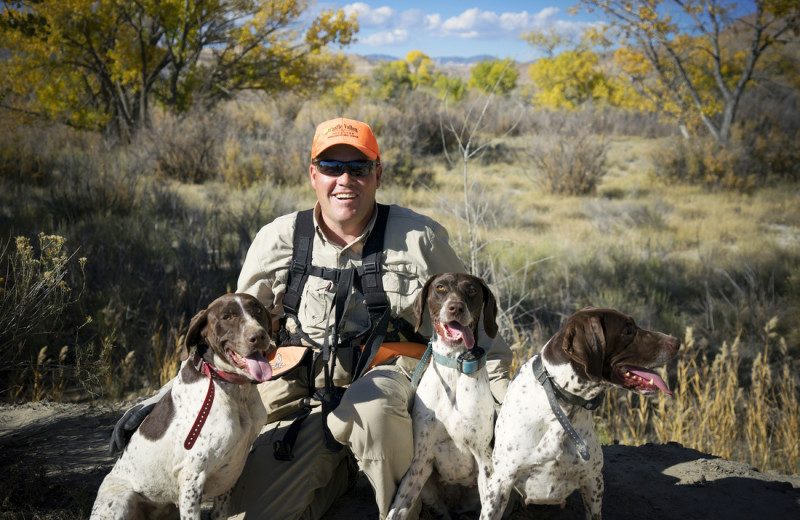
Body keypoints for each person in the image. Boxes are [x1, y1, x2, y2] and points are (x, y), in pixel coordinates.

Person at [111, 117, 512, 519]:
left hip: (388, 388)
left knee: (371, 412)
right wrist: (163, 397)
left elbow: (481, 336)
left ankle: (407, 510)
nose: (345, 180)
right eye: (332, 168)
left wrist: (504, 414)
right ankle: (334, 475)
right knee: (257, 513)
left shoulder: (419, 239)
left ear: (378, 174)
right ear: (313, 174)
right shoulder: (278, 239)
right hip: (303, 397)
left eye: (358, 168)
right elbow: (226, 336)